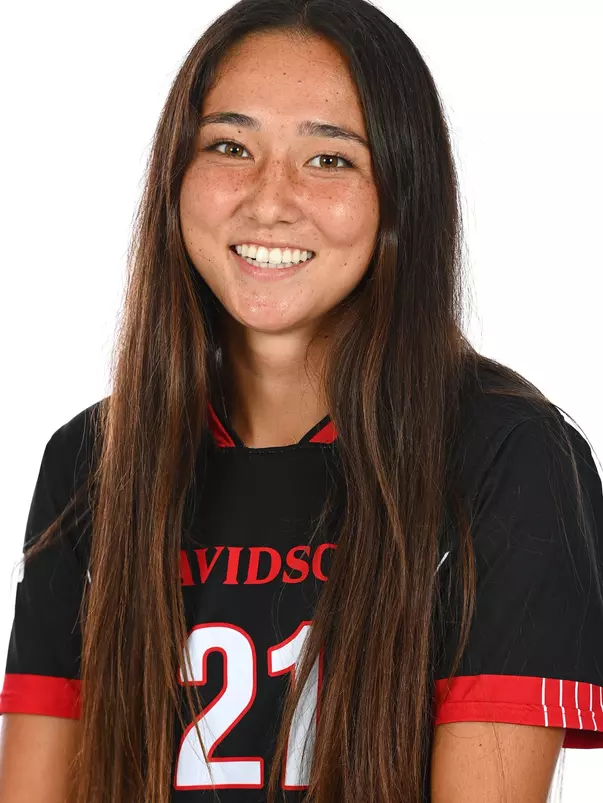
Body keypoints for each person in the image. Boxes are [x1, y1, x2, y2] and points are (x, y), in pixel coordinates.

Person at [1, 0, 602, 801]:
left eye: (328, 159)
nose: (269, 199)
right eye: (229, 146)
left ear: (402, 190)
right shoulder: (90, 461)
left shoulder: (507, 454)